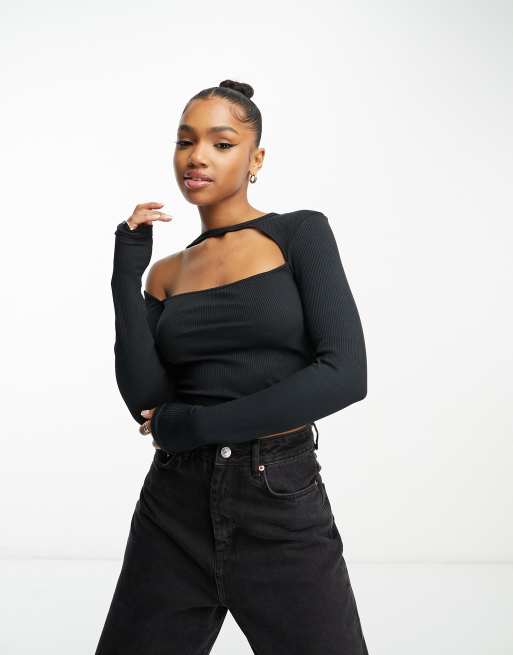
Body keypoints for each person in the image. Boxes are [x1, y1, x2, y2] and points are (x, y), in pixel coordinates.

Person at [95, 79, 369, 654]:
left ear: (256, 159)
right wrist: (126, 272)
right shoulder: (167, 273)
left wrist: (197, 425)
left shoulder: (298, 233)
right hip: (173, 504)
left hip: (276, 496)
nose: (197, 156)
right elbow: (146, 400)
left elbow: (345, 374)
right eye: (185, 141)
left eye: (221, 143)